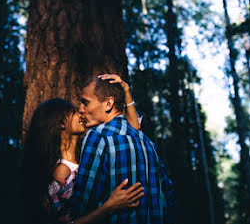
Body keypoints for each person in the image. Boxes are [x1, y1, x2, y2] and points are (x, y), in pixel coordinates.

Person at [21, 78, 144, 224]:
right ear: (61, 124)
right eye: (73, 112)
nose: (81, 111)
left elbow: (133, 131)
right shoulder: (62, 171)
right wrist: (109, 206)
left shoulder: (86, 155)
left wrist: (126, 92)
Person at [72, 74, 176, 224]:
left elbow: (81, 207)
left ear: (108, 104)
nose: (80, 109)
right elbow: (169, 200)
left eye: (85, 103)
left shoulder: (98, 136)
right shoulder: (147, 142)